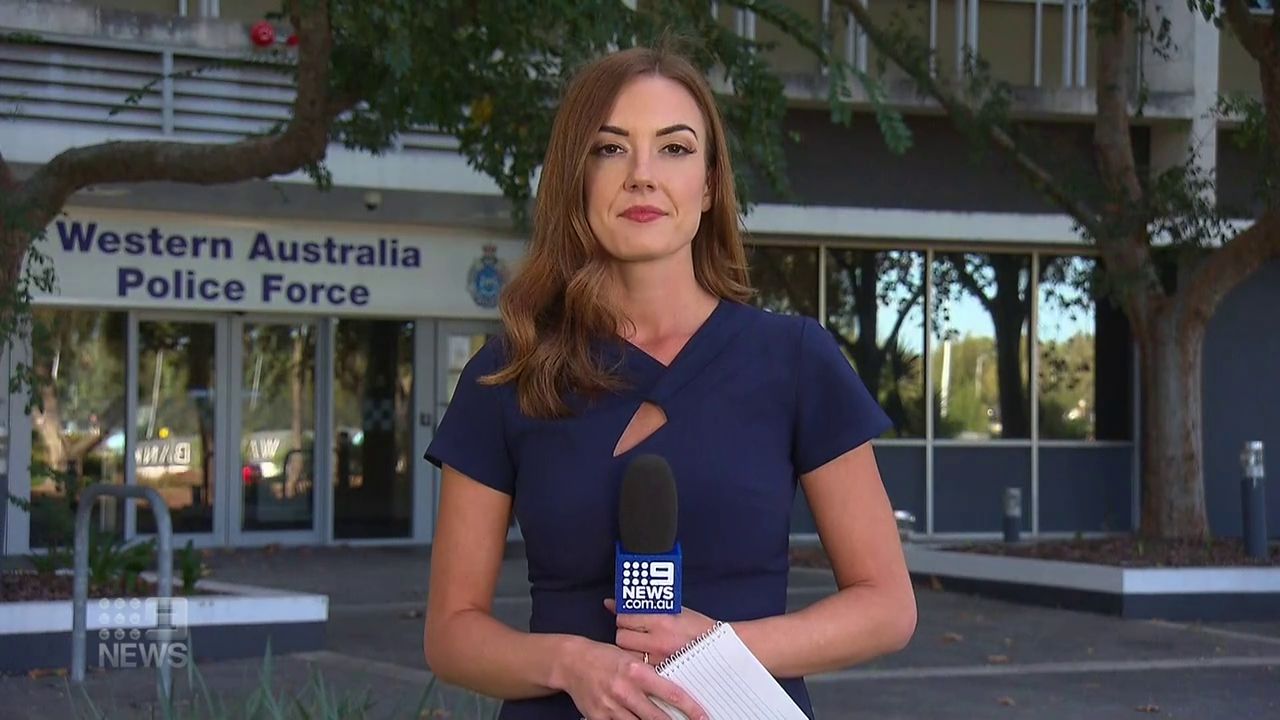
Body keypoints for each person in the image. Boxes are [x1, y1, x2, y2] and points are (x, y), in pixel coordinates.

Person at [423, 43, 917, 720]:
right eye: (611, 148)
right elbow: (452, 635)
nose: (642, 176)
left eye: (675, 149)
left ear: (709, 185)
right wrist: (572, 664)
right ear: (575, 177)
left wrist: (720, 650)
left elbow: (886, 607)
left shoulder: (795, 360)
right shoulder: (509, 370)